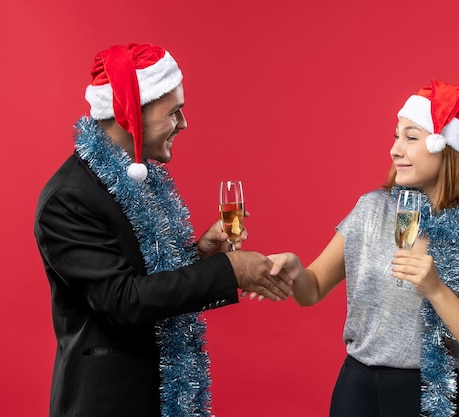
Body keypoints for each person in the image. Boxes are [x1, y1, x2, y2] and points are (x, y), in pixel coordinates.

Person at [34, 43, 291, 417]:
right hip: (110, 403)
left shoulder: (140, 180)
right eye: (173, 112)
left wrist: (199, 254)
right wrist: (229, 270)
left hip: (160, 395)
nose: (183, 123)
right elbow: (123, 300)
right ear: (130, 115)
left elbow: (144, 278)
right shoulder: (68, 198)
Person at [268, 80, 459, 417]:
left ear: (446, 149)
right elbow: (312, 289)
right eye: (396, 135)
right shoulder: (372, 209)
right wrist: (296, 272)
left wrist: (437, 291)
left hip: (431, 396)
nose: (395, 149)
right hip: (355, 389)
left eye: (411, 138)